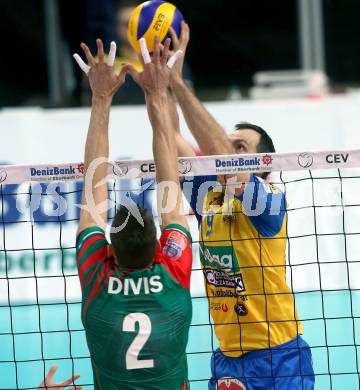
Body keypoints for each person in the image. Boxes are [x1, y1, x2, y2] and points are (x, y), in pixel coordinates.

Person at [169, 22, 315, 390]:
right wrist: (161, 81)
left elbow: (219, 157)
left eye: (241, 148)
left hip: (279, 357)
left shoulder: (268, 202)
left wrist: (178, 85)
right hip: (228, 359)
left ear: (264, 164)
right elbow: (171, 138)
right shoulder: (208, 199)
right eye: (228, 144)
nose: (229, 153)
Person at [73, 36, 193, 389]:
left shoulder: (97, 280)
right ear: (159, 246)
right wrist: (157, 94)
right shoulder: (173, 274)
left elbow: (94, 184)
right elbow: (170, 186)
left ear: (109, 249)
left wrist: (100, 98)